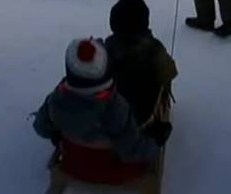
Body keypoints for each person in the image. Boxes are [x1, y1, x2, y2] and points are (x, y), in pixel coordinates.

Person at [32, 38, 172, 171]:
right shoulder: (116, 107)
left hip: (72, 163)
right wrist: (156, 140)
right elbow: (132, 150)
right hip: (112, 170)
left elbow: (40, 127)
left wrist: (59, 134)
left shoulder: (55, 100)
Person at [104, 0, 178, 125]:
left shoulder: (106, 47)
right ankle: (160, 113)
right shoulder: (154, 48)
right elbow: (170, 72)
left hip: (109, 114)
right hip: (142, 120)